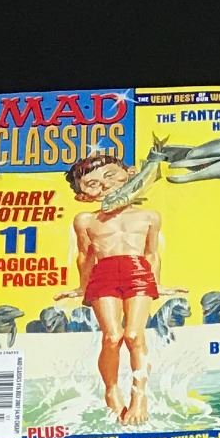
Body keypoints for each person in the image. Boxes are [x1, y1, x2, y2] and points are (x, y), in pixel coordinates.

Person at [62, 151, 163, 424]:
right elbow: (85, 256)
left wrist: (157, 283)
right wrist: (82, 287)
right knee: (112, 337)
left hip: (138, 272)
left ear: (130, 174)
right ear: (83, 196)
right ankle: (111, 389)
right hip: (103, 274)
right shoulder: (85, 220)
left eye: (109, 176)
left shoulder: (149, 216)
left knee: (134, 335)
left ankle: (139, 397)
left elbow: (152, 254)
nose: (105, 185)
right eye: (92, 183)